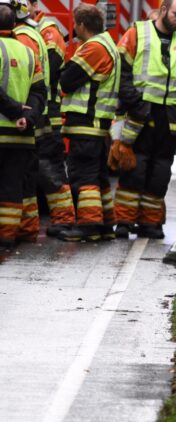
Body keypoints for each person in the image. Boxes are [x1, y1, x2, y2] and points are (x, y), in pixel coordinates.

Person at [111, 0, 176, 240]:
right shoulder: (137, 33)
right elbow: (121, 70)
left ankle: (150, 223)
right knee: (134, 169)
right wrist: (134, 101)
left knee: (160, 174)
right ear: (163, 10)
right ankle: (124, 221)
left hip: (170, 119)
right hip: (140, 115)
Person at [57, 3, 120, 242]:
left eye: (75, 24)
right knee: (98, 176)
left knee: (84, 176)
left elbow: (68, 80)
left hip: (86, 122)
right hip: (97, 124)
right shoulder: (107, 44)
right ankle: (104, 224)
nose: (74, 28)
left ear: (82, 25)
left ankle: (89, 226)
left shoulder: (94, 48)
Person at [0, 0, 46, 248]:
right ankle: (6, 237)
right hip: (21, 136)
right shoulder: (28, 52)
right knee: (12, 188)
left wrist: (14, 109)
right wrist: (27, 117)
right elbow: (40, 91)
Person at [31, 0, 76, 237]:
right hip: (37, 111)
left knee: (50, 167)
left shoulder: (49, 31)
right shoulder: (31, 30)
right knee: (32, 167)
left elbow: (49, 69)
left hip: (47, 114)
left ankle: (64, 218)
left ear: (33, 5)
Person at [13, 0, 48, 242]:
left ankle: (21, 229)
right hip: (31, 117)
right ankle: (26, 228)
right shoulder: (33, 35)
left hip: (16, 121)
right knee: (25, 176)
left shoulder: (21, 40)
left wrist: (21, 113)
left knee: (18, 179)